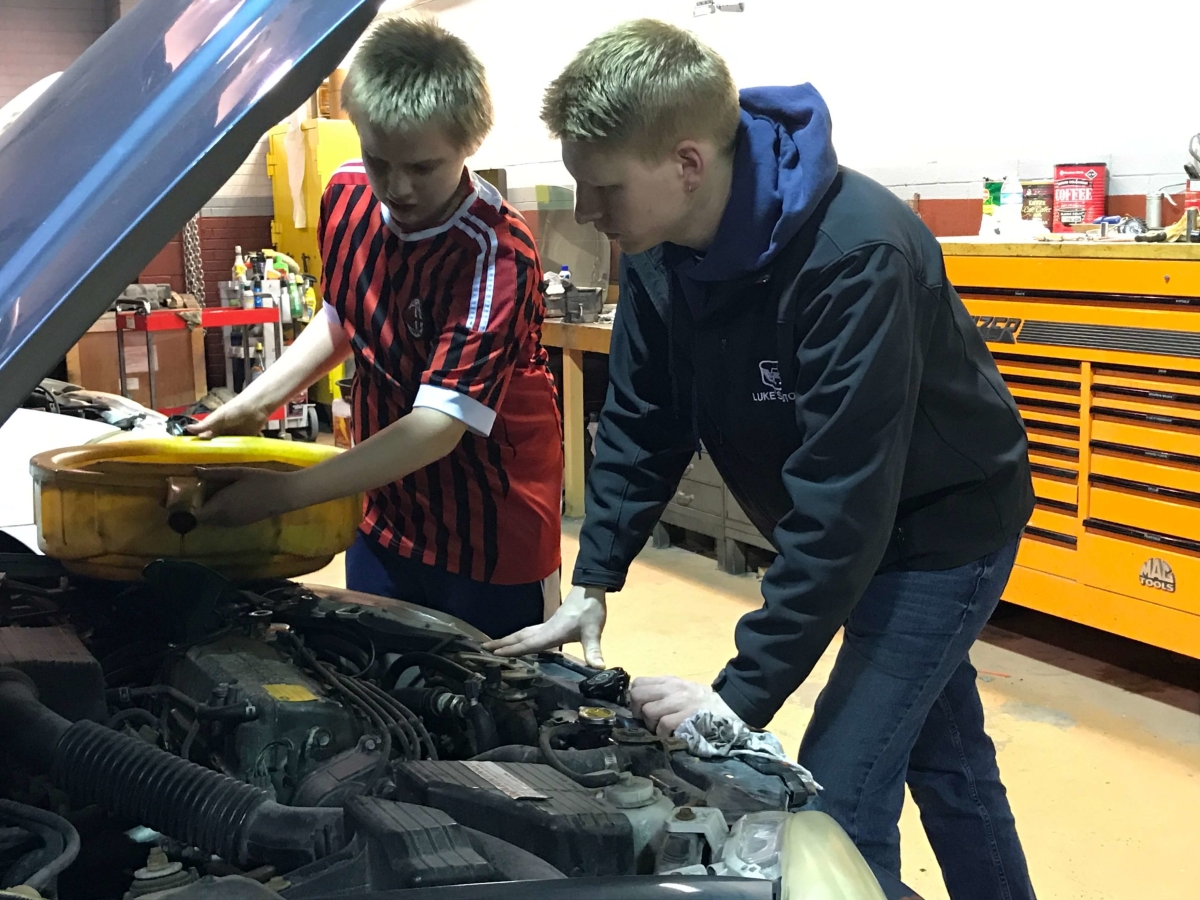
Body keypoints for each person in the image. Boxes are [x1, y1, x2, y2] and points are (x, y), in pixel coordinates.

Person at [484, 19, 1037, 899]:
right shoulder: (663, 253)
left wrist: (735, 703)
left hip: (942, 531)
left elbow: (843, 506)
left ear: (688, 163)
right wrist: (594, 581)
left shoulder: (856, 254)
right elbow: (641, 418)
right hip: (851, 522)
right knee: (949, 760)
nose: (586, 214)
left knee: (833, 804)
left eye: (603, 190)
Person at [192, 17, 562, 639]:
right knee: (377, 682)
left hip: (489, 525)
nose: (396, 187)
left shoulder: (496, 252)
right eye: (377, 159)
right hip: (385, 504)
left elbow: (436, 426)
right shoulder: (345, 196)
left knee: (486, 700)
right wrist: (252, 405)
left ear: (469, 144)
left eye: (423, 167)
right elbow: (343, 314)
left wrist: (283, 492)